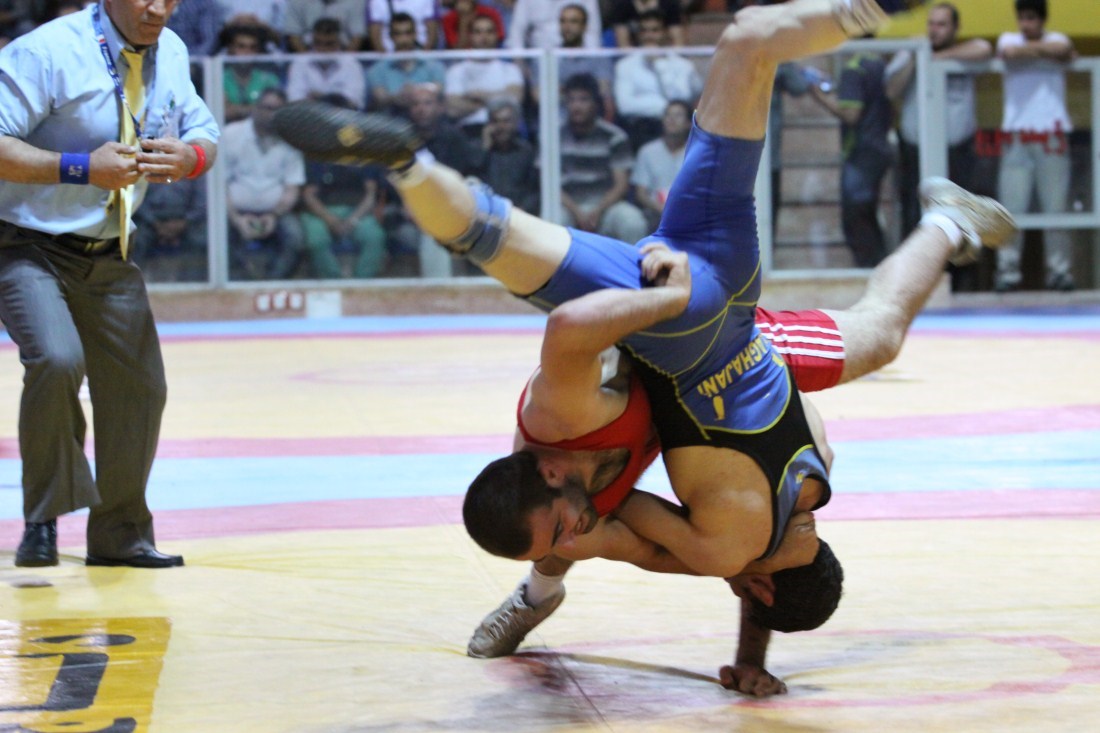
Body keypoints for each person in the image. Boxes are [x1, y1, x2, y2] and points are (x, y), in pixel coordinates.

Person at [272, 0, 1011, 691]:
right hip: (681, 322)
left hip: (746, 329)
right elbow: (625, 531)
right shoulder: (707, 536)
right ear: (752, 588)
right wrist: (670, 300)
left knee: (754, 57)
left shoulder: (815, 473)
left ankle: (939, 201)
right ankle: (411, 167)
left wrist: (750, 647)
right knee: (492, 247)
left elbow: (757, 558)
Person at [0, 0, 218, 568]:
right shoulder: (47, 52)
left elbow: (204, 132)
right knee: (56, 359)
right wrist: (80, 167)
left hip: (109, 249)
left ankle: (120, 534)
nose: (159, 9)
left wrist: (191, 157)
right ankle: (43, 520)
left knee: (140, 387)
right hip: (23, 243)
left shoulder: (170, 51)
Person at [884, 2, 992, 240]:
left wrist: (939, 57)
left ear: (955, 28)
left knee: (959, 216)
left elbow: (984, 49)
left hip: (958, 152)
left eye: (942, 25)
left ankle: (956, 264)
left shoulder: (964, 54)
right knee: (914, 215)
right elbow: (891, 90)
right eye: (931, 24)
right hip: (916, 152)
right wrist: (917, 57)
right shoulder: (912, 52)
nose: (934, 30)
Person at [993, 0, 1076, 292]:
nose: (1026, 24)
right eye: (1022, 18)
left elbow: (1064, 50)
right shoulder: (1009, 39)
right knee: (1011, 208)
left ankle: (1060, 271)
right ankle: (1007, 271)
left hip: (1052, 133)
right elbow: (1010, 53)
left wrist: (1039, 52)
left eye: (1031, 18)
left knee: (1056, 207)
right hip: (1016, 135)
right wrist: (1045, 53)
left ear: (1042, 19)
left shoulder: (1058, 38)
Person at [811, 48, 894, 267]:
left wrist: (818, 95)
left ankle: (871, 270)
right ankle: (880, 268)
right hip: (879, 147)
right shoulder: (878, 63)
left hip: (861, 151)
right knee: (868, 216)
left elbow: (851, 114)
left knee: (856, 220)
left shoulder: (854, 69)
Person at [299, 94, 387, 279]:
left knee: (374, 236)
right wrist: (330, 220)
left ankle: (361, 286)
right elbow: (309, 195)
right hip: (321, 212)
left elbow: (370, 194)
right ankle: (333, 283)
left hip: (357, 211)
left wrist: (353, 220)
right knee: (316, 239)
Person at [223, 87, 306, 280]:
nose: (271, 114)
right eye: (267, 108)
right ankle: (241, 286)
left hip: (276, 213)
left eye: (277, 109)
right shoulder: (230, 135)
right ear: (255, 108)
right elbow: (219, 186)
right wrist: (236, 218)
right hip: (234, 211)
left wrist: (274, 215)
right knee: (216, 235)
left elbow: (292, 188)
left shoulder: (292, 141)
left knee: (296, 237)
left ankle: (272, 284)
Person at [559, 72, 648, 243]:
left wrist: (597, 211)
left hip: (606, 206)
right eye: (571, 100)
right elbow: (548, 184)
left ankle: (632, 262)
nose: (576, 106)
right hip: (567, 207)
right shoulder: (555, 136)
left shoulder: (615, 137)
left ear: (595, 103)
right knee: (552, 221)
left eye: (583, 100)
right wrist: (577, 212)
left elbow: (621, 185)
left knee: (633, 222)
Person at [612, 10, 702, 149]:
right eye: (644, 31)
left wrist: (660, 66)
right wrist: (666, 108)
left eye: (655, 30)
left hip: (678, 130)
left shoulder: (683, 65)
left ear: (665, 33)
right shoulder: (625, 65)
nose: (649, 36)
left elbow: (682, 99)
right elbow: (625, 106)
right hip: (640, 129)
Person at [443, 14, 524, 138]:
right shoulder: (456, 71)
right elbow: (452, 109)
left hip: (505, 132)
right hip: (468, 132)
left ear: (497, 35)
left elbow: (515, 99)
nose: (484, 37)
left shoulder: (510, 69)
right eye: (478, 32)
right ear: (470, 36)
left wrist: (477, 96)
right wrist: (498, 99)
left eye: (489, 32)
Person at [366, 12, 447, 116]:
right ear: (391, 36)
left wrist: (416, 92)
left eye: (408, 33)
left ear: (415, 34)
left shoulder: (434, 65)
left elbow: (439, 89)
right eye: (398, 34)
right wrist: (396, 98)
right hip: (391, 122)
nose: (404, 39)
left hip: (427, 121)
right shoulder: (377, 70)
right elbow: (380, 97)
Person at [131, 174, 208, 282]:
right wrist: (154, 222)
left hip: (186, 221)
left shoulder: (193, 167)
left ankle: (192, 285)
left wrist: (185, 222)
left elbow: (202, 202)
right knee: (135, 241)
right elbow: (135, 198)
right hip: (149, 222)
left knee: (201, 241)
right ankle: (134, 284)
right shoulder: (144, 166)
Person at [631, 99, 690, 229]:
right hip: (654, 214)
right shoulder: (647, 151)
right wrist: (662, 210)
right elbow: (640, 193)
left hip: (688, 214)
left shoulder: (695, 153)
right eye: (668, 115)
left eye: (678, 115)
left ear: (688, 123)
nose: (671, 119)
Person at [286, 18, 368, 109]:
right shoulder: (300, 62)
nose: (322, 49)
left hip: (342, 116)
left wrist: (319, 97)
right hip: (307, 115)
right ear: (311, 41)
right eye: (318, 43)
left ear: (339, 42)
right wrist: (334, 98)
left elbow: (354, 101)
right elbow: (294, 99)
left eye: (329, 44)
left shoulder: (352, 64)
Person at [480, 97, 539, 214]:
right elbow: (472, 178)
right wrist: (484, 149)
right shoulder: (480, 151)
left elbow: (535, 189)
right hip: (485, 213)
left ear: (516, 123)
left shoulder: (526, 152)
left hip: (519, 214)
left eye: (506, 121)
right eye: (495, 121)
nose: (501, 127)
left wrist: (524, 209)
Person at [219, 22, 283, 123]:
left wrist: (237, 109)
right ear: (231, 49)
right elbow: (224, 112)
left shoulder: (269, 79)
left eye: (252, 47)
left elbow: (274, 112)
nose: (247, 52)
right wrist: (258, 109)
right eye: (241, 46)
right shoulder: (219, 78)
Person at [506, 0, 600, 50]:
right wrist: (520, 64)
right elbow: (516, 33)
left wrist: (591, 60)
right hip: (538, 59)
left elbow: (593, 32)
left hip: (578, 57)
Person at [285, 0, 367, 52]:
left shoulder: (357, 1)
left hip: (343, 54)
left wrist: (345, 61)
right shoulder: (296, 1)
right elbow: (293, 35)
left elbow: (357, 36)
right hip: (307, 53)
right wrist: (307, 61)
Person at [369, 0, 439, 52]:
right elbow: (375, 37)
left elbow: (432, 35)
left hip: (420, 55)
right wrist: (387, 61)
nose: (403, 39)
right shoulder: (376, 1)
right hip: (389, 57)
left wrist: (422, 60)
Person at [609, 0, 685, 48]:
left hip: (666, 56)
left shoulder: (670, 5)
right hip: (634, 58)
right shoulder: (621, 6)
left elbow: (678, 43)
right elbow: (623, 45)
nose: (649, 35)